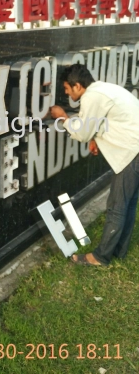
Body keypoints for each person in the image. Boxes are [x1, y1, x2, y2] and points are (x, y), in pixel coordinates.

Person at [50, 63, 139, 266]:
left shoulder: (92, 96)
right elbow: (102, 121)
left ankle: (101, 257)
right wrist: (96, 138)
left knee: (117, 206)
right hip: (136, 148)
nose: (65, 92)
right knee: (129, 203)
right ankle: (119, 251)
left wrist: (63, 117)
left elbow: (82, 132)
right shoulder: (103, 89)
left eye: (66, 88)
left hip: (132, 152)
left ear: (78, 86)